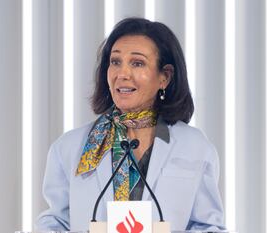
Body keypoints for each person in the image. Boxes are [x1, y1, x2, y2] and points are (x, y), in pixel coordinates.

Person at [35, 17, 225, 232]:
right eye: (115, 62)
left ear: (164, 77)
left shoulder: (195, 146)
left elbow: (208, 226)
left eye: (137, 63)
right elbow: (56, 222)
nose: (122, 74)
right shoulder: (69, 147)